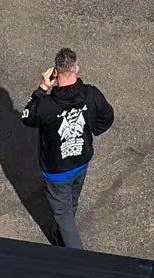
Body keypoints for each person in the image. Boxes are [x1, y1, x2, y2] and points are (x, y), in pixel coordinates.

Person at [20, 50, 113, 248]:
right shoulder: (91, 94)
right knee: (71, 202)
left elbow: (26, 117)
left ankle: (77, 260)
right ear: (76, 68)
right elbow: (107, 117)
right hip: (81, 161)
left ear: (55, 72)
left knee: (63, 215)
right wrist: (91, 132)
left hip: (57, 171)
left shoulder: (45, 105)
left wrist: (43, 87)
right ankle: (61, 232)